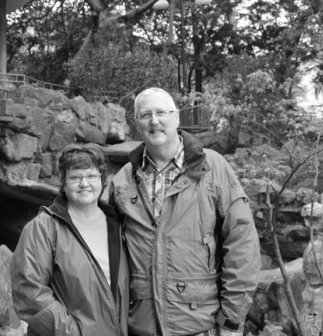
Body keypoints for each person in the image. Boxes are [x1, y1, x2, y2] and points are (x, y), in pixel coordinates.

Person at [106, 87, 261, 336]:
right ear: (136, 123)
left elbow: (242, 242)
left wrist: (232, 320)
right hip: (141, 326)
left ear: (176, 117)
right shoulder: (124, 179)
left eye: (161, 112)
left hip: (200, 325)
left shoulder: (213, 167)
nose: (154, 121)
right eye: (145, 115)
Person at [11, 144, 130, 335]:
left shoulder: (119, 225)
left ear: (102, 180)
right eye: (75, 177)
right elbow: (29, 292)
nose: (84, 183)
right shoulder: (44, 227)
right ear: (63, 183)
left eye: (91, 176)